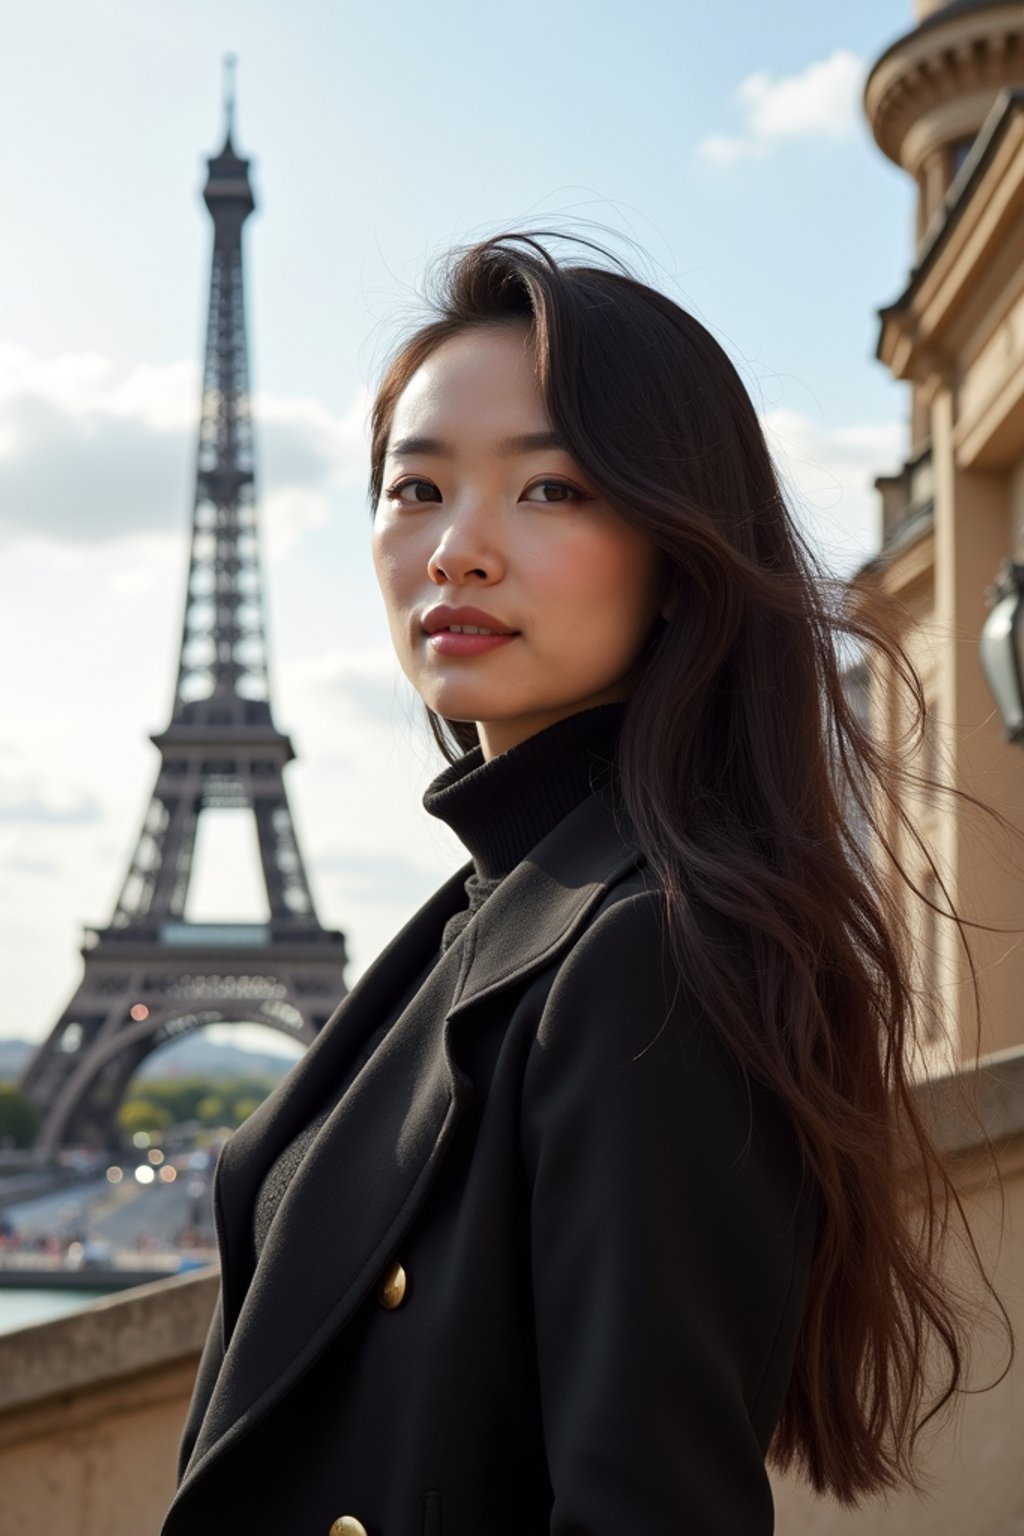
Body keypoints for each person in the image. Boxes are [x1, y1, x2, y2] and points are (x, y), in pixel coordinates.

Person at [161, 233, 997, 1536]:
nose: (457, 549)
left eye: (548, 490)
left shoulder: (642, 957)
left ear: (680, 552)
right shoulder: (490, 919)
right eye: (414, 488)